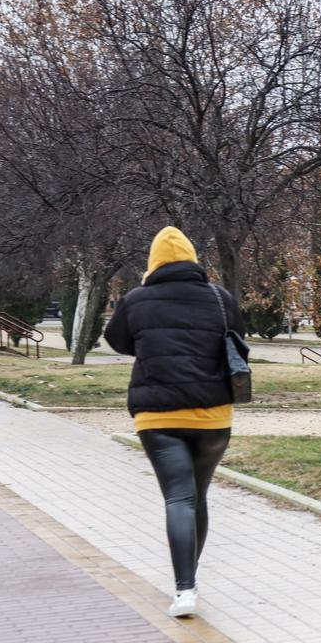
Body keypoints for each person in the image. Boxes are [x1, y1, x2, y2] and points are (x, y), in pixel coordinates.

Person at [104, 227, 245, 618]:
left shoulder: (136, 300)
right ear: (193, 258)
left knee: (178, 497)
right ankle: (189, 579)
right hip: (214, 415)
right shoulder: (219, 297)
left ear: (152, 263)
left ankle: (185, 589)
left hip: (158, 417)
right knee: (196, 496)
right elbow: (237, 335)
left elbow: (117, 341)